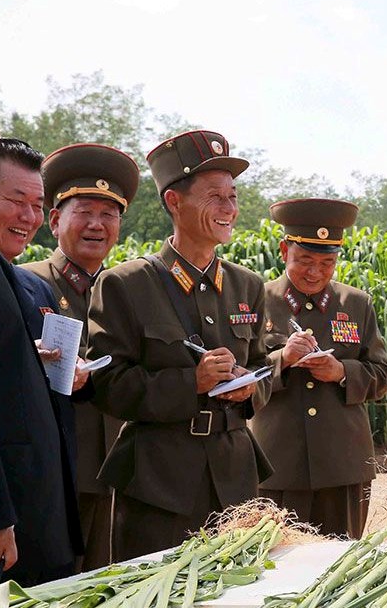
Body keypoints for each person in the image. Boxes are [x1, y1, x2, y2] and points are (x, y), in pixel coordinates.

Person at [87, 130, 273, 561]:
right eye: (215, 196)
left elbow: (265, 367)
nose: (229, 208)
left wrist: (251, 386)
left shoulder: (248, 285)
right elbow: (106, 384)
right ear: (174, 201)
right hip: (159, 485)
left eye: (232, 196)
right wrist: (191, 381)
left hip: (235, 482)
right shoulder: (126, 284)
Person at [0, 62, 79, 601]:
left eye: (39, 206)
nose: (30, 217)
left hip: (38, 517)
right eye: (17, 201)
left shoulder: (30, 287)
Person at [21, 143, 139, 570]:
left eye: (108, 215)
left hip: (118, 475)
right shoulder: (25, 283)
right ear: (54, 221)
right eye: (84, 212)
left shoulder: (128, 291)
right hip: (54, 475)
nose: (97, 225)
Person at [254, 198, 387, 538]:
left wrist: (342, 372)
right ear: (284, 249)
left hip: (342, 465)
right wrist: (281, 360)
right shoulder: (256, 299)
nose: (315, 272)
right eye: (304, 260)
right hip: (276, 465)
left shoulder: (356, 303)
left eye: (326, 262)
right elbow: (239, 375)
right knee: (276, 565)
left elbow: (382, 374)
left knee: (340, 565)